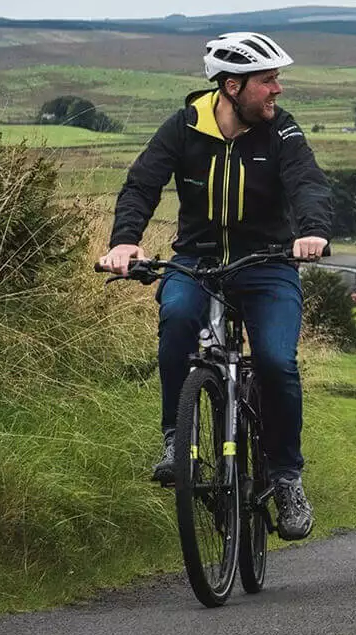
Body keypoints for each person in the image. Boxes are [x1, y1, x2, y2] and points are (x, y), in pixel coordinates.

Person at [98, 32, 333, 540]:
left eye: (277, 79)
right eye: (268, 81)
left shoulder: (282, 132)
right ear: (232, 85)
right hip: (197, 261)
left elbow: (308, 182)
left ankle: (287, 475)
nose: (278, 90)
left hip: (269, 263)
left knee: (275, 360)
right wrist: (124, 242)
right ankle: (174, 442)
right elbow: (142, 184)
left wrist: (312, 231)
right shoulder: (183, 128)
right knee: (178, 318)